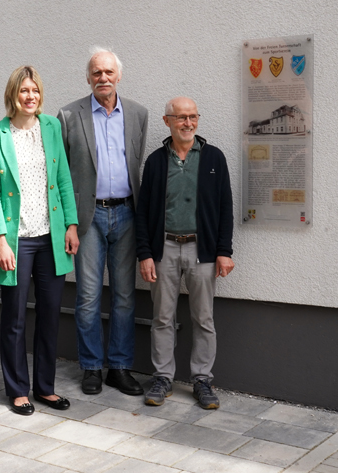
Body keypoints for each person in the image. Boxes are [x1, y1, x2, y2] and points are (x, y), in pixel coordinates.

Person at [0, 65, 79, 416]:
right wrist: (0, 239)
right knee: (14, 317)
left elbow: (63, 178)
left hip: (50, 236)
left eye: (35, 90)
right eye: (24, 91)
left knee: (51, 315)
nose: (30, 96)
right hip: (17, 239)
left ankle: (45, 387)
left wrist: (71, 224)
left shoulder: (51, 126)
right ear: (13, 94)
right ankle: (17, 389)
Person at [57, 48, 149, 396]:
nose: (103, 78)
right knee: (88, 296)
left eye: (109, 72)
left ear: (119, 76)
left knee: (125, 297)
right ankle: (92, 367)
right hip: (88, 218)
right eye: (96, 73)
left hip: (127, 213)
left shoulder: (138, 114)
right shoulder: (69, 115)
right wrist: (68, 222)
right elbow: (62, 174)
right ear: (88, 78)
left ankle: (120, 368)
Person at [136, 96, 234, 409]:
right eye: (181, 117)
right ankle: (163, 377)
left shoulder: (214, 159)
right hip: (163, 248)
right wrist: (145, 253)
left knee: (203, 318)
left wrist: (224, 251)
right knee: (162, 318)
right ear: (168, 121)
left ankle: (202, 380)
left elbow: (225, 208)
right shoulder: (155, 162)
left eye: (192, 116)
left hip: (201, 250)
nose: (187, 123)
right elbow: (143, 213)